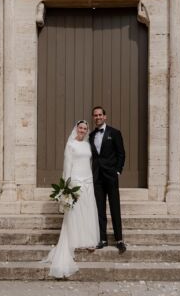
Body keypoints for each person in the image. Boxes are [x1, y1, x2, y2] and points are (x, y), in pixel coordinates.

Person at [44, 120, 99, 278]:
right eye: (80, 128)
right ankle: (72, 241)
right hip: (75, 180)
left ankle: (88, 240)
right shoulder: (71, 145)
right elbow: (67, 166)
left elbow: (90, 162)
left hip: (88, 180)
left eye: (85, 128)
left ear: (87, 130)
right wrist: (66, 187)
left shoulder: (88, 145)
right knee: (75, 213)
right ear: (76, 129)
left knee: (88, 210)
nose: (82, 130)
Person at [89, 107, 127, 254]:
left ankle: (119, 240)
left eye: (100, 115)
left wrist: (117, 170)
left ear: (105, 116)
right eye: (95, 115)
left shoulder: (114, 133)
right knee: (99, 209)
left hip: (111, 176)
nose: (98, 117)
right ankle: (102, 239)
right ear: (93, 117)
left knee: (115, 207)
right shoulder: (91, 135)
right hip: (97, 177)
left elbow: (121, 154)